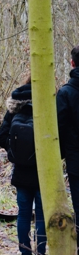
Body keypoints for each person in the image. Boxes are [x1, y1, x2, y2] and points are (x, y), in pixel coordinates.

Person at [0, 77, 49, 255]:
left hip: (21, 171)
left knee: (23, 215)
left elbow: (1, 137)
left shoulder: (15, 105)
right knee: (42, 217)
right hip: (43, 171)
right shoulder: (47, 104)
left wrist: (15, 153)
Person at [57, 45, 79, 239]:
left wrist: (62, 155)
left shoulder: (65, 93)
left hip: (76, 159)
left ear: (72, 63)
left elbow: (60, 127)